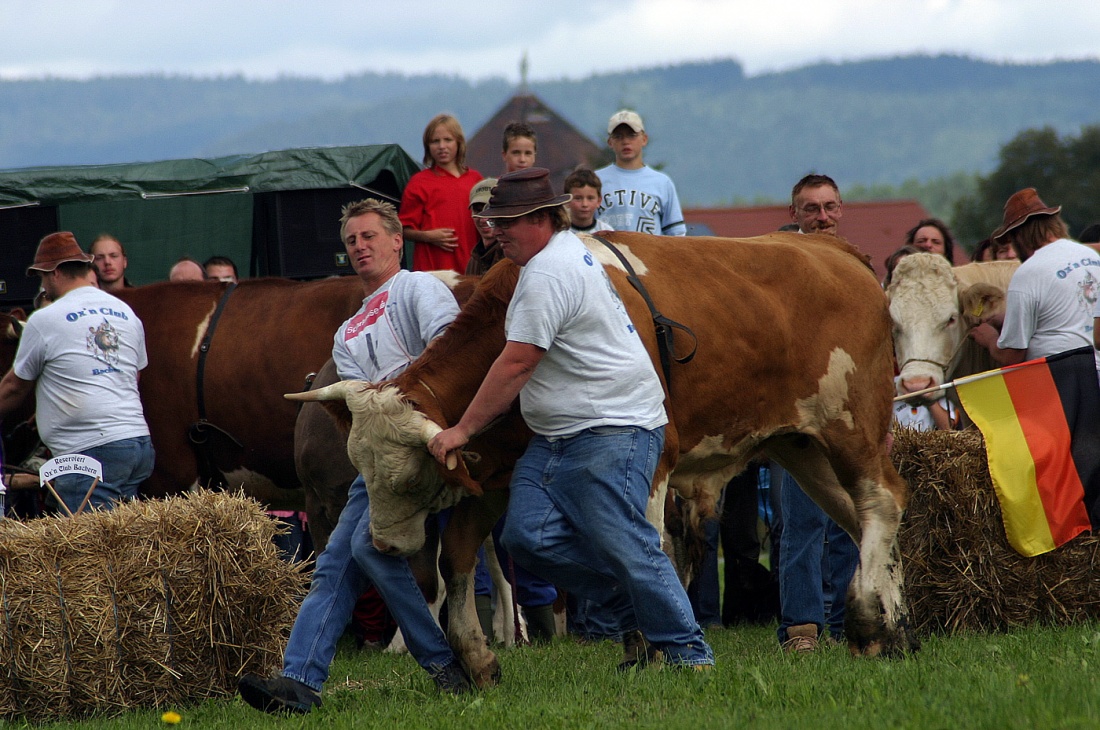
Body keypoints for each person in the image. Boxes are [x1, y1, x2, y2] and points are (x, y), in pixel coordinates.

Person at [428, 167, 714, 670]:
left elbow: (517, 361)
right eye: (493, 220)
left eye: (506, 221)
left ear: (540, 218)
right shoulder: (554, 256)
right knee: (526, 536)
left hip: (613, 426)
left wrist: (462, 429)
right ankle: (639, 612)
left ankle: (689, 653)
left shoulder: (547, 273)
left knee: (627, 543)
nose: (494, 230)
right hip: (564, 432)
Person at [237, 199, 469, 715]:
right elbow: (357, 404)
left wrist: (406, 398)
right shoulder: (346, 334)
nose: (360, 247)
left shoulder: (418, 288)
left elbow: (454, 349)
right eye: (351, 241)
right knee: (336, 563)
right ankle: (301, 683)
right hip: (379, 462)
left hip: (426, 443)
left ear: (396, 241)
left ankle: (440, 664)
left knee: (361, 550)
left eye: (369, 236)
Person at [0, 232, 154, 514]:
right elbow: (133, 378)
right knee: (125, 548)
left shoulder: (45, 319)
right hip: (137, 444)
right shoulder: (126, 312)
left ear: (55, 272)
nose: (43, 286)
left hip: (91, 451)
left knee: (84, 552)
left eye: (42, 277)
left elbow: (14, 387)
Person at [776, 174, 860, 653]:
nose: (822, 217)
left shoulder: (856, 271)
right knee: (804, 522)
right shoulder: (783, 270)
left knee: (852, 521)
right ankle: (801, 630)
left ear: (841, 209)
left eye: (829, 207)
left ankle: (847, 619)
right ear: (795, 215)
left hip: (849, 418)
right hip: (801, 416)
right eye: (811, 209)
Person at [968, 188, 1100, 370]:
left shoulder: (1027, 273)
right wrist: (1009, 318)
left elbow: (1011, 356)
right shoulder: (1090, 255)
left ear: (1018, 235)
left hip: (1061, 377)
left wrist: (989, 338)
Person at [400, 113, 483, 274]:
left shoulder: (475, 179)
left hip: (471, 270)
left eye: (448, 140)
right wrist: (429, 237)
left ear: (458, 142)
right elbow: (403, 229)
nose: (441, 146)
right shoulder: (419, 182)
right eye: (435, 141)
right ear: (428, 146)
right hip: (433, 271)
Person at [596, 110, 687, 236]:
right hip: (605, 254)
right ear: (610, 142)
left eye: (632, 135)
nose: (625, 141)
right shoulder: (596, 180)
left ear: (644, 139)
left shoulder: (662, 182)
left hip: (649, 255)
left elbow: (676, 233)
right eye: (618, 136)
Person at [465, 177, 501, 275]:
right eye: (477, 210)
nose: (483, 219)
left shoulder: (513, 258)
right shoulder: (474, 260)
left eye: (490, 209)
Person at [564, 168, 613, 235]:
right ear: (567, 201)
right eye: (578, 198)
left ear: (599, 201)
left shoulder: (607, 232)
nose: (585, 204)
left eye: (590, 198)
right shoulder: (559, 233)